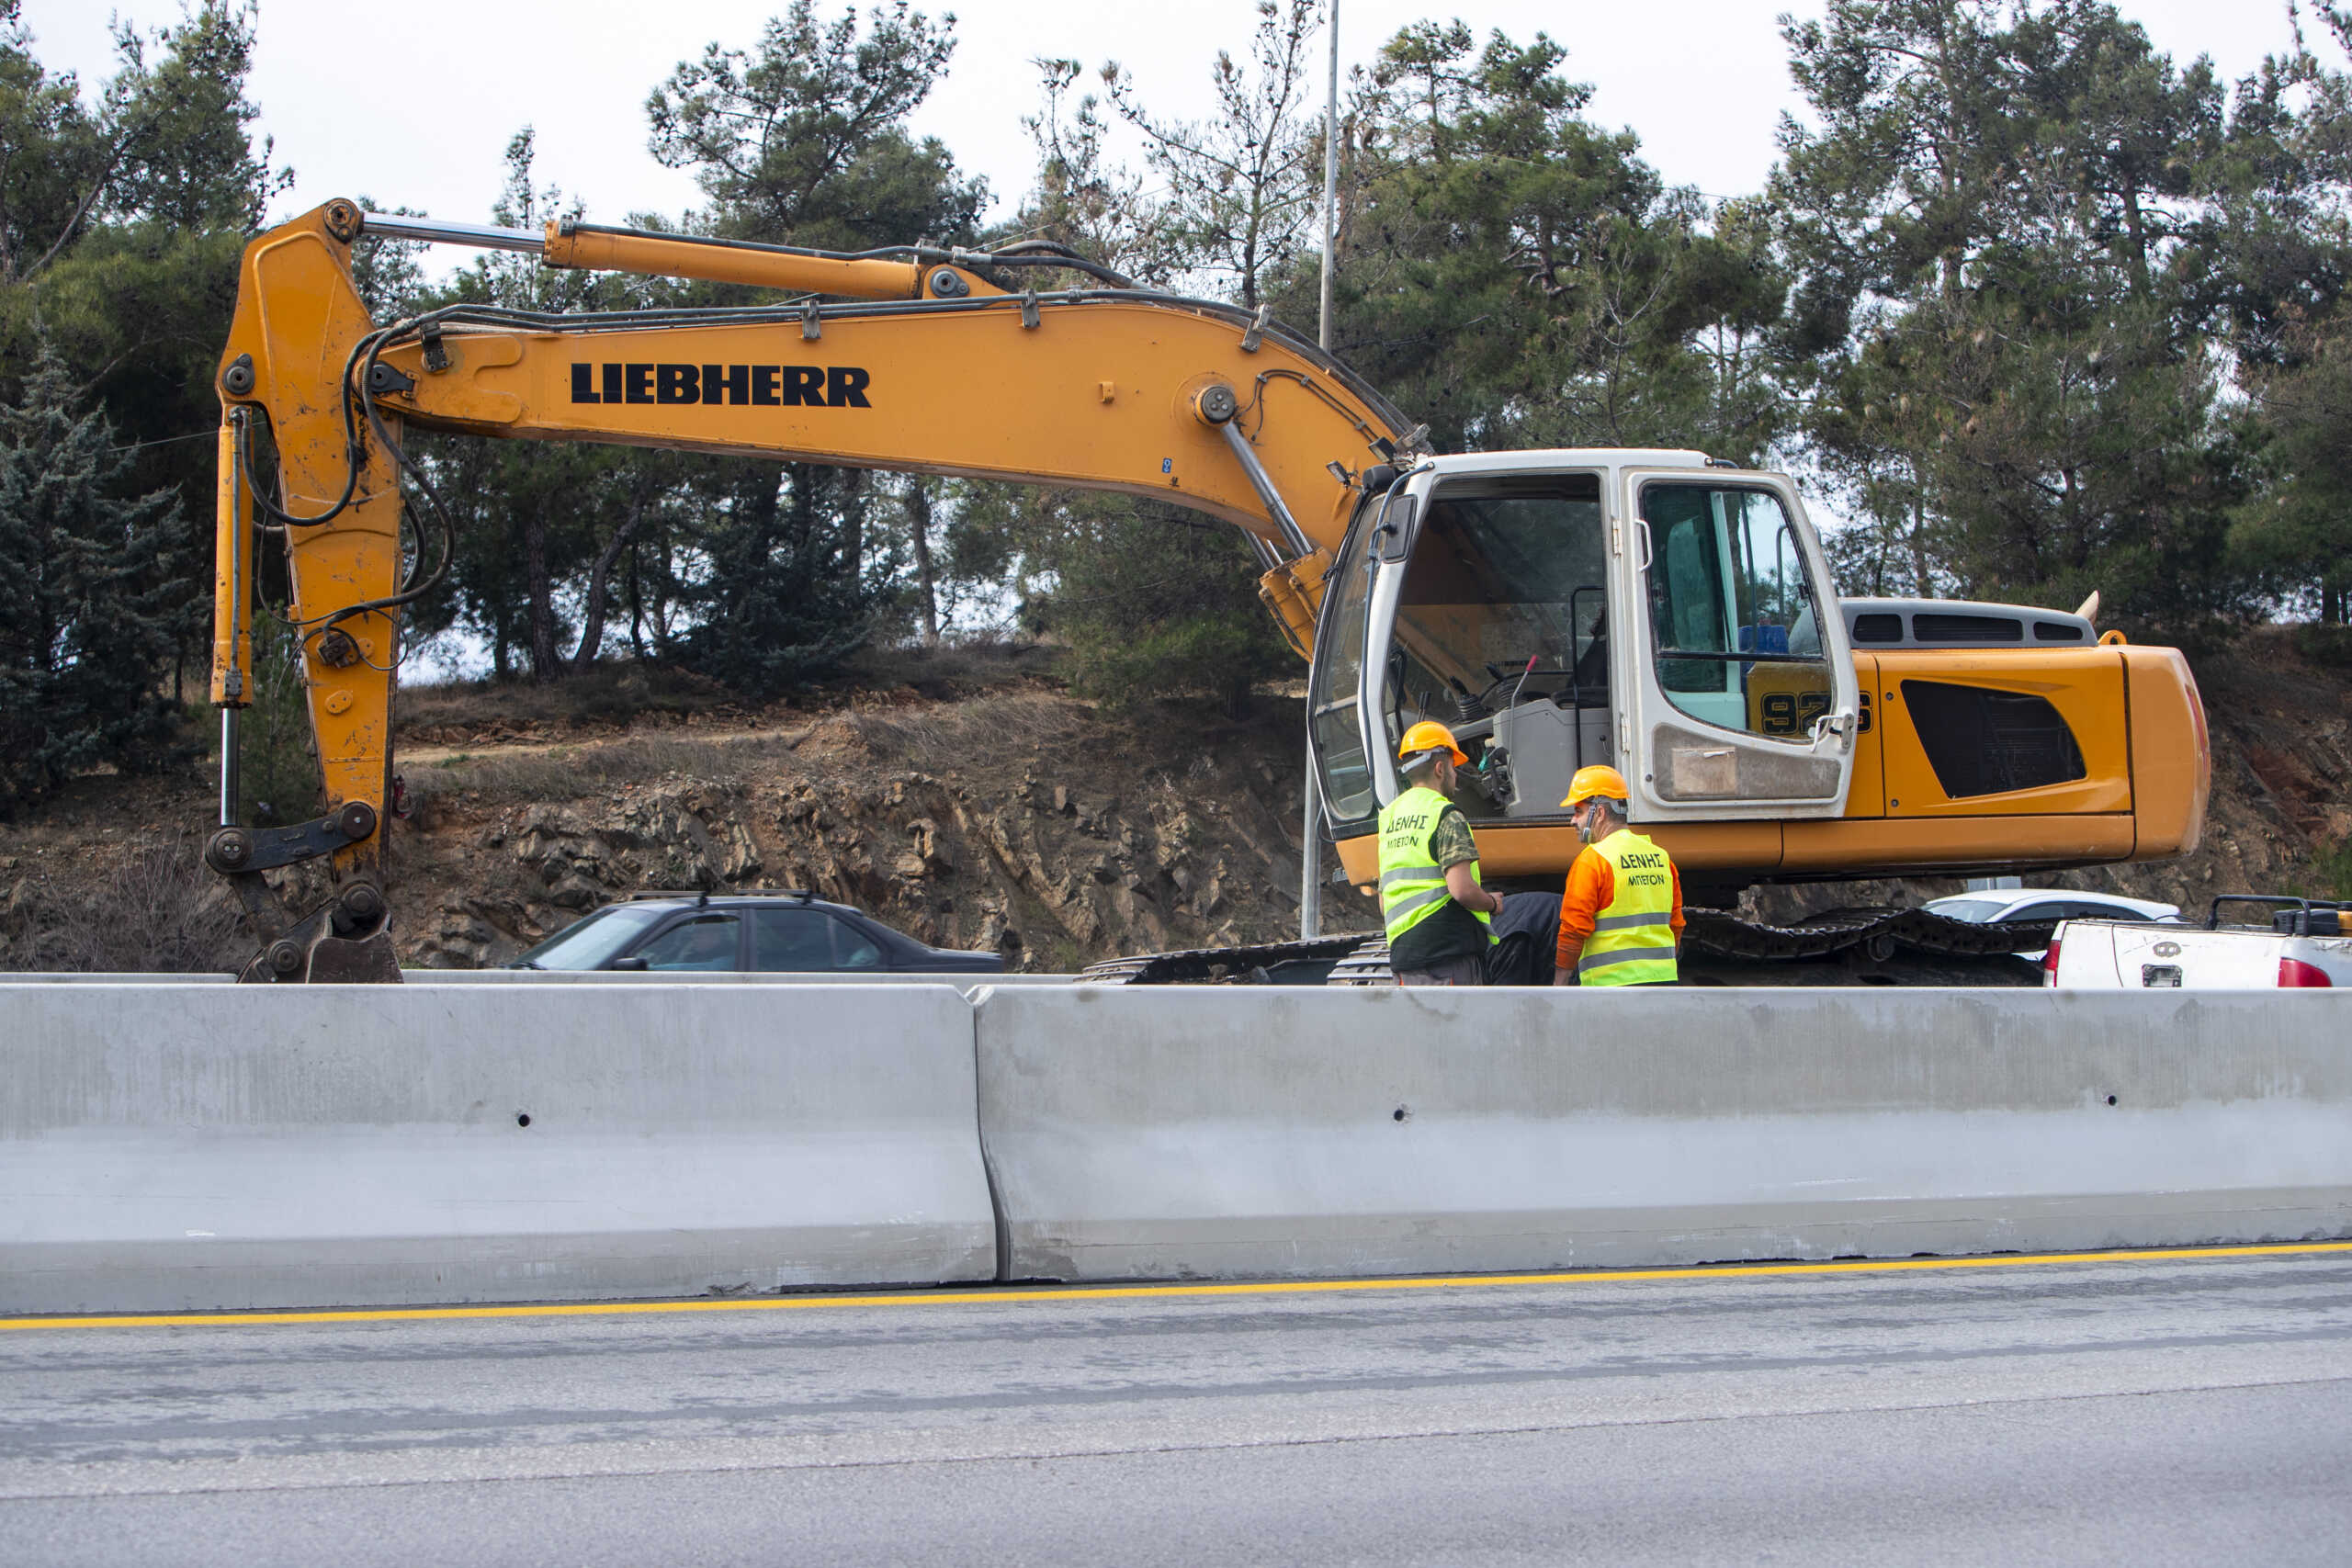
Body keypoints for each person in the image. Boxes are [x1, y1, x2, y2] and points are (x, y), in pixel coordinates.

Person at [1379, 720, 1505, 987]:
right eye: (1453, 768)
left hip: (1404, 957)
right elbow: (1461, 890)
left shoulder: (1389, 818)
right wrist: (1492, 904)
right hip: (1447, 955)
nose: (1456, 775)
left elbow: (1384, 900)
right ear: (1439, 769)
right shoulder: (1445, 814)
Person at [1552, 765, 1682, 986]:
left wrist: (1560, 983)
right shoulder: (1661, 858)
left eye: (1578, 811)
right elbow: (1676, 924)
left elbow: (1573, 929)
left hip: (1611, 987)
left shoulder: (1593, 860)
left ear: (1600, 813)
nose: (1573, 821)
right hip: (1664, 983)